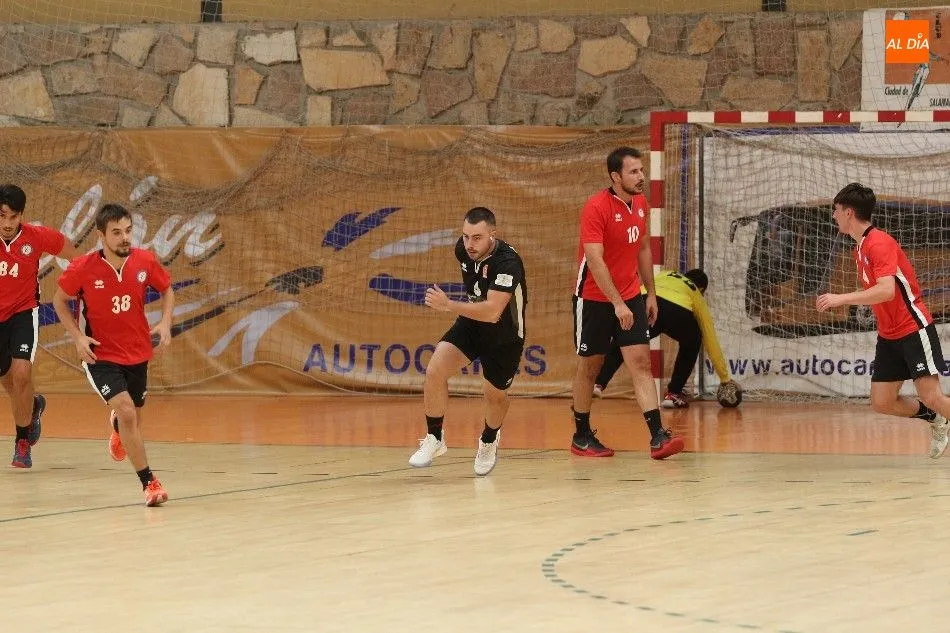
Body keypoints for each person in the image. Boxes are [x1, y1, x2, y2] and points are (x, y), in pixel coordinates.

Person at [53, 203, 175, 505]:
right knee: (127, 409)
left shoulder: (145, 261)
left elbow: (167, 289)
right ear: (101, 235)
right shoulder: (83, 267)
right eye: (117, 232)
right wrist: (78, 337)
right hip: (100, 355)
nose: (125, 238)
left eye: (128, 231)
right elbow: (59, 300)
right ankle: (149, 483)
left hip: (137, 352)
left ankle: (119, 429)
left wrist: (165, 323)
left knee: (133, 415)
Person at [817, 182, 950, 458]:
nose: (833, 215)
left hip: (913, 328)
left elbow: (886, 290)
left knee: (932, 395)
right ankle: (937, 419)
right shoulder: (859, 248)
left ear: (849, 213)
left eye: (836, 210)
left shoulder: (879, 243)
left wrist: (840, 298)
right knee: (882, 402)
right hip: (889, 335)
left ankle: (938, 411)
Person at [571, 147, 684, 459]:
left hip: (631, 295)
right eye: (633, 172)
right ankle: (581, 435)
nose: (641, 176)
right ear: (615, 176)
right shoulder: (596, 207)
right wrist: (616, 303)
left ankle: (658, 437)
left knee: (641, 363)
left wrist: (650, 293)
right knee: (590, 368)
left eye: (641, 170)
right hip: (594, 299)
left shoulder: (641, 203)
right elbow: (595, 260)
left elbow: (644, 249)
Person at [408, 206, 527, 476]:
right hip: (472, 324)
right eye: (465, 236)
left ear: (493, 234)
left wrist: (448, 305)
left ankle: (489, 440)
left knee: (495, 397)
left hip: (504, 335)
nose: (469, 244)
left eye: (477, 238)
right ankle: (435, 438)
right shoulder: (463, 251)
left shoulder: (508, 263)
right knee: (435, 370)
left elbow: (493, 311)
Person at [0, 184, 81, 468]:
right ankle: (33, 407)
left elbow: (75, 256)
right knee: (10, 382)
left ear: (22, 215)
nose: (7, 223)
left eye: (13, 217)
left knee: (22, 374)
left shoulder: (36, 237)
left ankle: (22, 442)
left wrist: (80, 285)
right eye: (2, 216)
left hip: (23, 313)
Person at [593, 268, 737, 407]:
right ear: (701, 289)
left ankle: (598, 384)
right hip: (677, 312)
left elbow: (642, 286)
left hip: (646, 302)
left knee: (624, 341)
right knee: (693, 340)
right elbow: (710, 337)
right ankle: (673, 393)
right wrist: (724, 378)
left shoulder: (666, 274)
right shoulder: (695, 291)